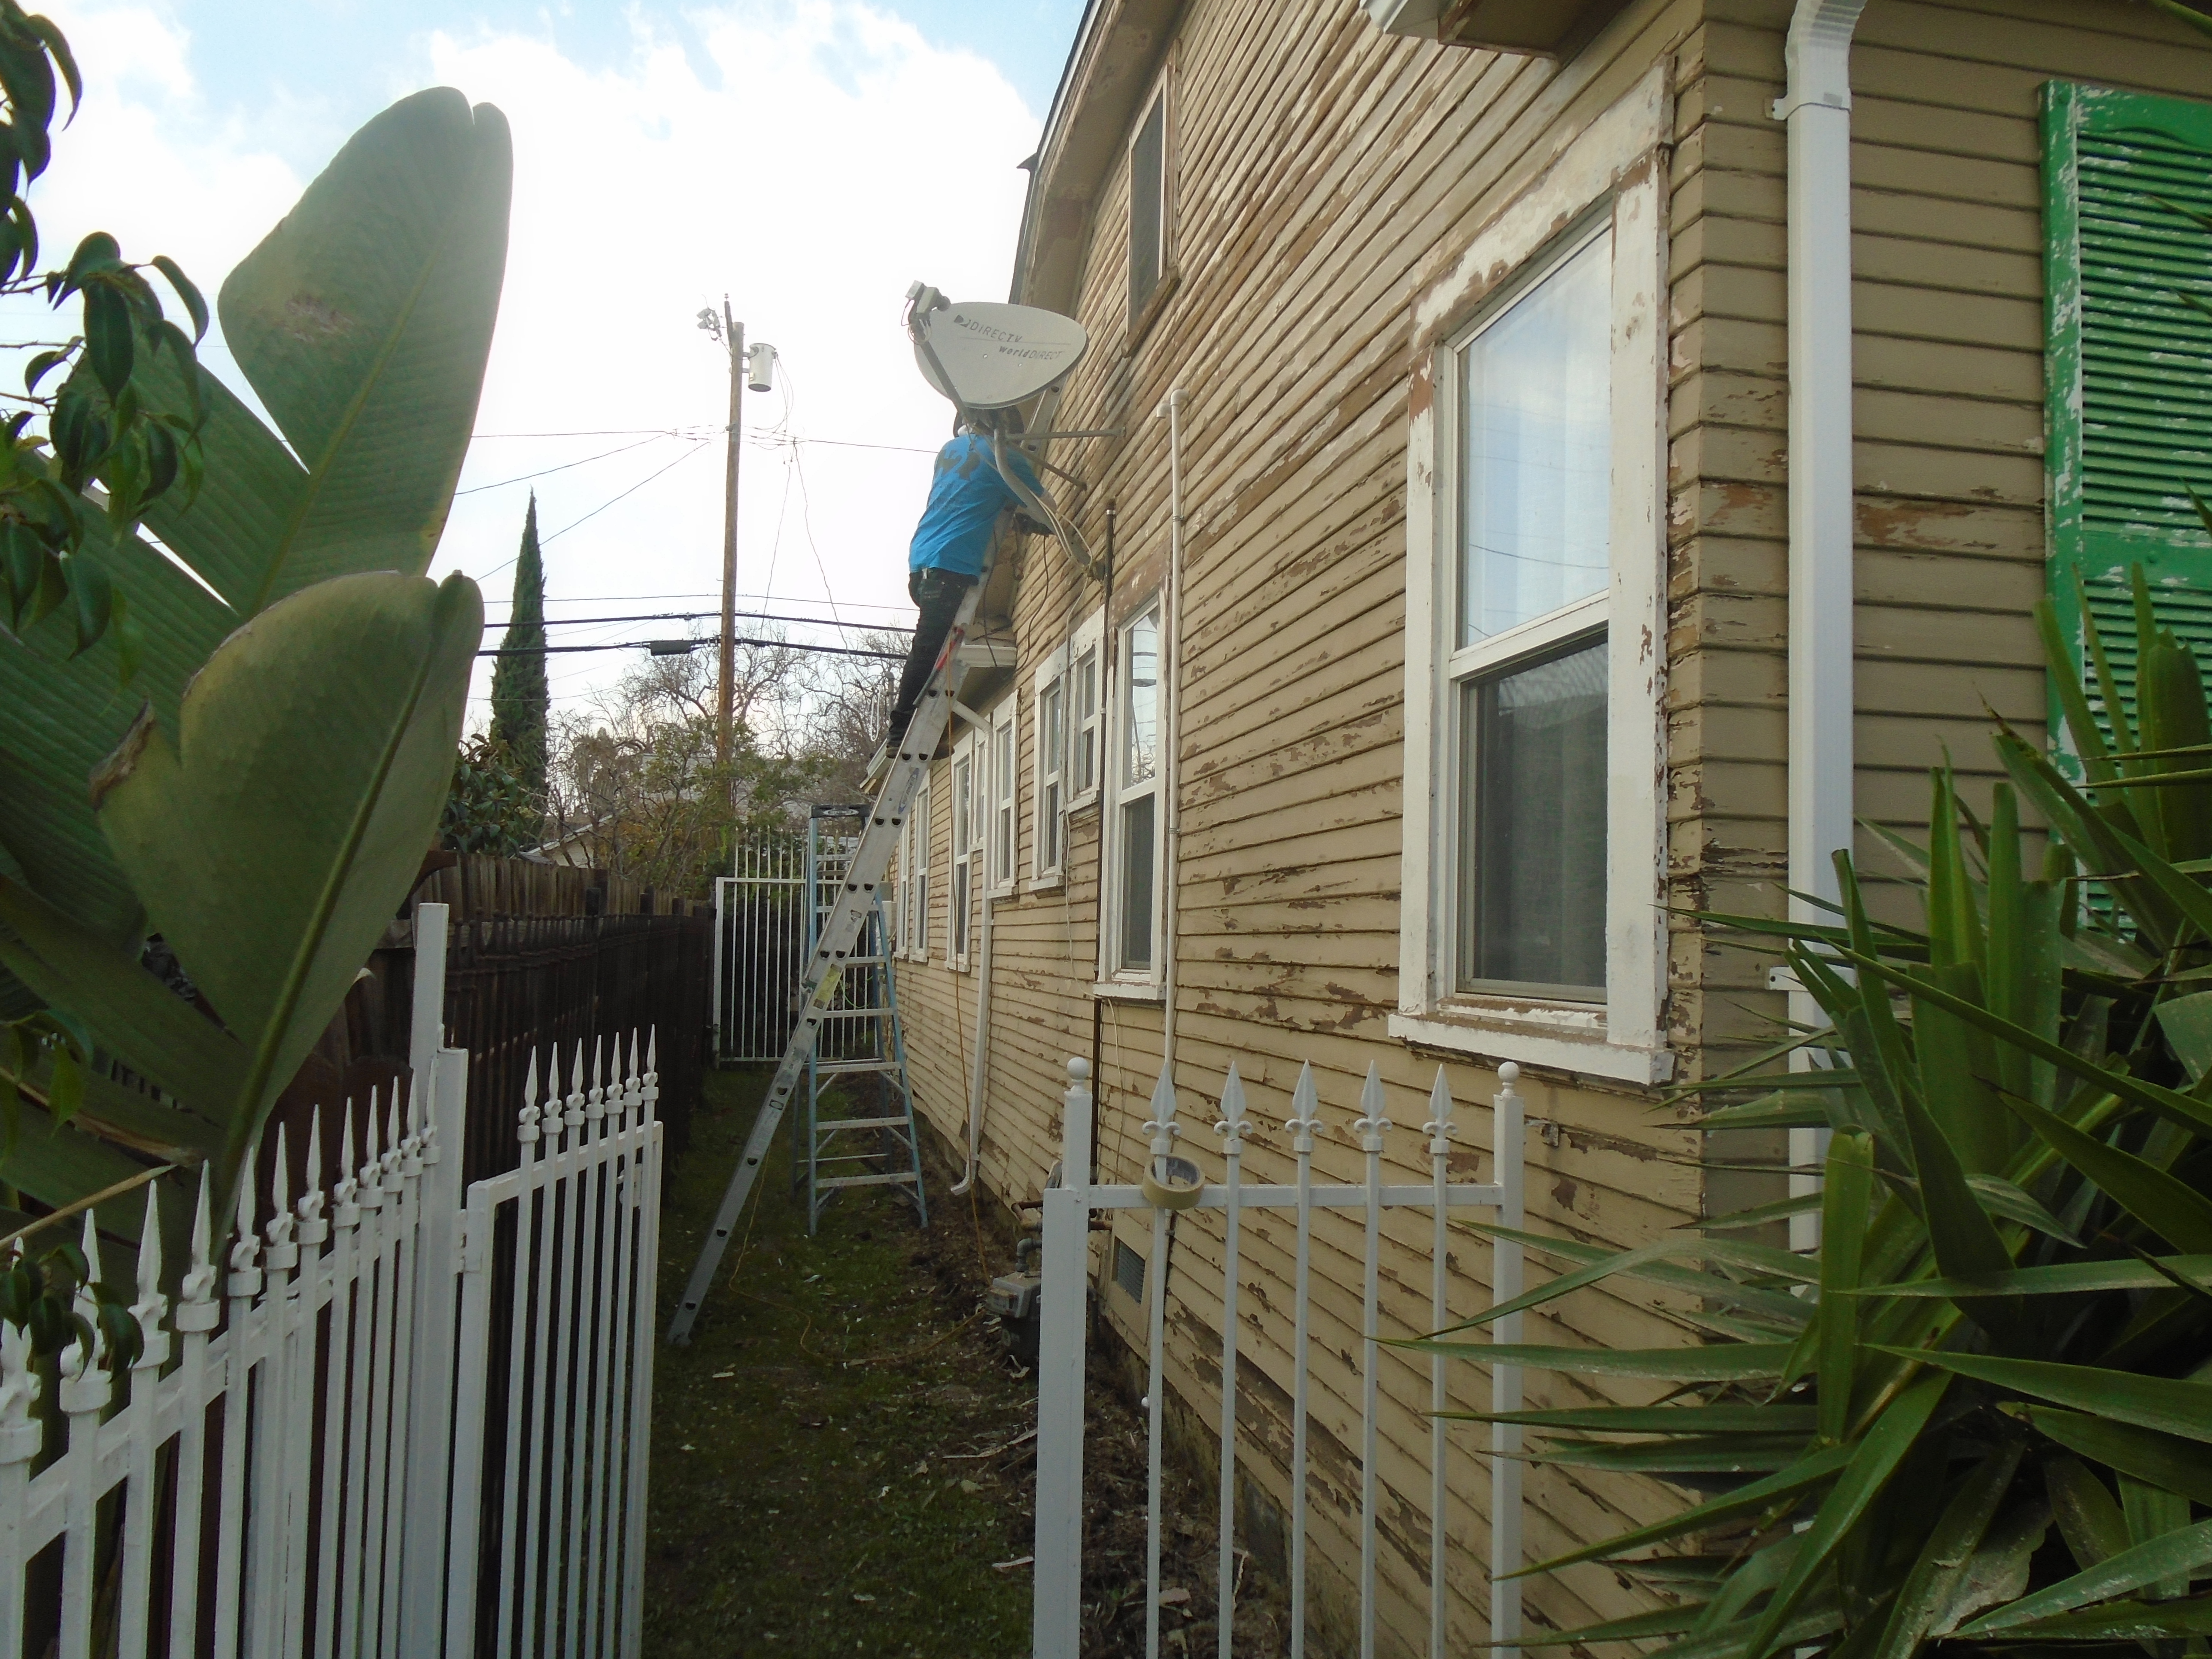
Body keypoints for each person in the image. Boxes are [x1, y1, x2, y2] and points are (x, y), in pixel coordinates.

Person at [884, 415, 1042, 746]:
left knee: (934, 648)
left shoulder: (948, 451)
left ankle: (920, 730)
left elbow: (975, 493)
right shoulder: (1004, 458)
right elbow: (1045, 507)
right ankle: (902, 731)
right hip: (951, 567)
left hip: (922, 561)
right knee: (928, 650)